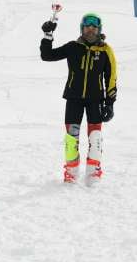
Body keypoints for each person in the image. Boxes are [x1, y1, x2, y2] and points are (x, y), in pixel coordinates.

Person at [40, 12, 117, 185]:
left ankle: (93, 173)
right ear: (81, 29)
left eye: (94, 27)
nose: (90, 30)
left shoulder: (105, 51)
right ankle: (71, 172)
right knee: (71, 137)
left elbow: (111, 77)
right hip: (73, 98)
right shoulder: (73, 47)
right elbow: (47, 56)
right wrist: (47, 36)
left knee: (95, 137)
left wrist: (109, 103)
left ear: (99, 30)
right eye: (87, 27)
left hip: (95, 100)